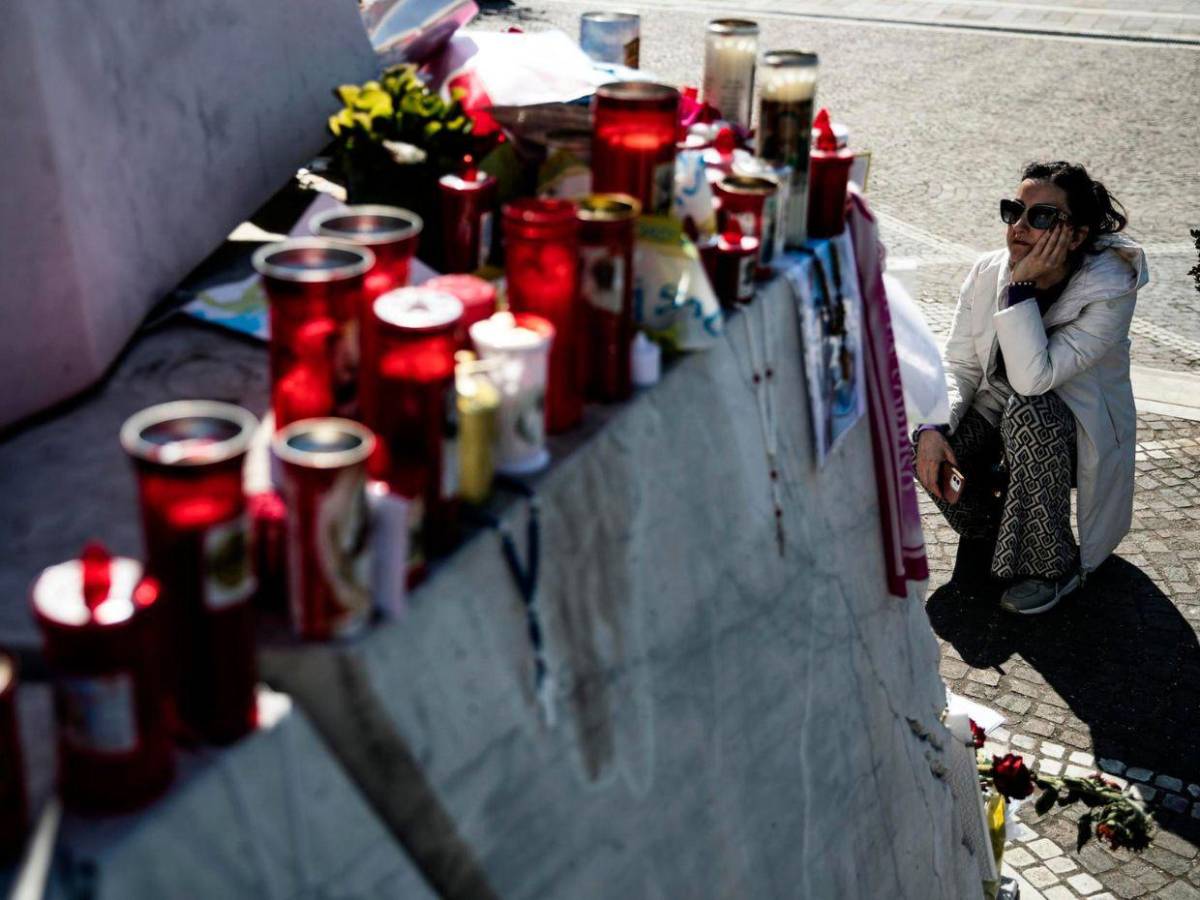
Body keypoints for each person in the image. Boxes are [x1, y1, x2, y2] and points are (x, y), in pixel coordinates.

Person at [914, 161, 1149, 615]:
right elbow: (960, 363)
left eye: (1041, 217)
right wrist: (932, 427)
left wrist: (1022, 290)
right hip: (997, 406)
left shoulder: (1110, 287)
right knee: (920, 432)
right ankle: (992, 528)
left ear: (1076, 235)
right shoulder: (988, 270)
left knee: (1029, 409)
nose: (1020, 226)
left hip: (1076, 429)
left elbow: (1033, 379)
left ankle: (1051, 566)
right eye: (1015, 211)